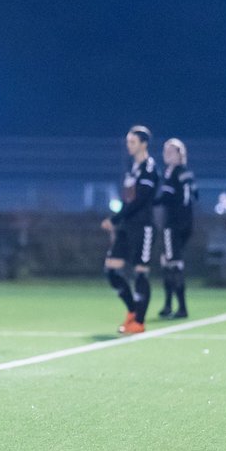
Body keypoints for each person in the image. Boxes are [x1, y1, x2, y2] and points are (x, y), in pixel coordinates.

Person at [101, 125, 158, 334]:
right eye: (127, 141)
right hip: (127, 226)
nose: (129, 145)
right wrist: (116, 220)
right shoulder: (131, 169)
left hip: (143, 227)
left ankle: (139, 322)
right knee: (111, 270)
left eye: (132, 142)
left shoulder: (149, 169)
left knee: (140, 272)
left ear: (143, 144)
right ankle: (132, 311)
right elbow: (128, 200)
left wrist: (115, 218)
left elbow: (140, 201)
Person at [155, 137, 197, 319]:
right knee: (167, 260)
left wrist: (145, 201)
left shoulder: (174, 172)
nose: (166, 154)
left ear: (180, 154)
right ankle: (168, 305)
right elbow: (195, 194)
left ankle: (180, 307)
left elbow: (168, 197)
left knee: (173, 264)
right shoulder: (185, 172)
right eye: (165, 151)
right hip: (184, 222)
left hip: (173, 224)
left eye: (171, 151)